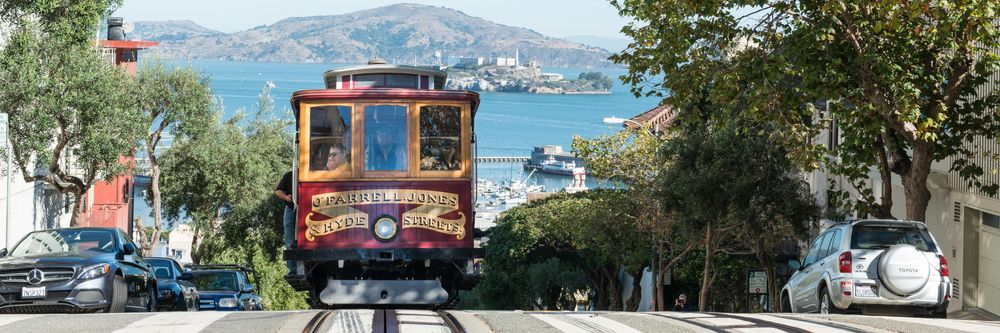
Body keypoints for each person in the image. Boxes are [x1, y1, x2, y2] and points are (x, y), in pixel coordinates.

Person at [274, 170, 295, 273]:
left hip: (310, 209)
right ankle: (293, 269)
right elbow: (278, 191)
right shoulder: (290, 175)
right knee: (289, 239)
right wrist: (286, 197)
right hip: (291, 208)